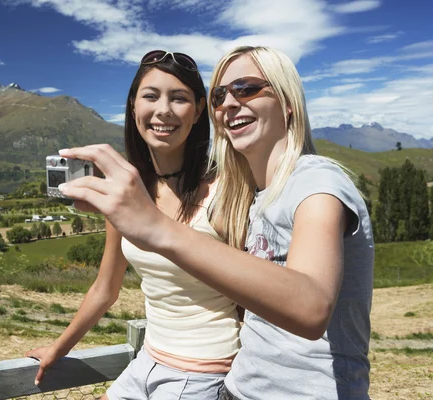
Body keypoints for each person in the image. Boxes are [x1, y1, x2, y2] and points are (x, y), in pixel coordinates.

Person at [58, 45, 374, 400]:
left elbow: (311, 308)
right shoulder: (258, 196)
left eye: (247, 88)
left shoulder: (318, 183)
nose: (229, 103)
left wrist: (157, 228)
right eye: (221, 95)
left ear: (288, 102)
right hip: (237, 386)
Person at [26, 50, 242, 400]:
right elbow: (105, 288)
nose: (163, 110)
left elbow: (253, 287)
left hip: (205, 372)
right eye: (151, 96)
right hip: (147, 362)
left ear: (199, 110)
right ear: (132, 106)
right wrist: (59, 347)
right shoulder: (128, 191)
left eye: (179, 98)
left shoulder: (224, 189)